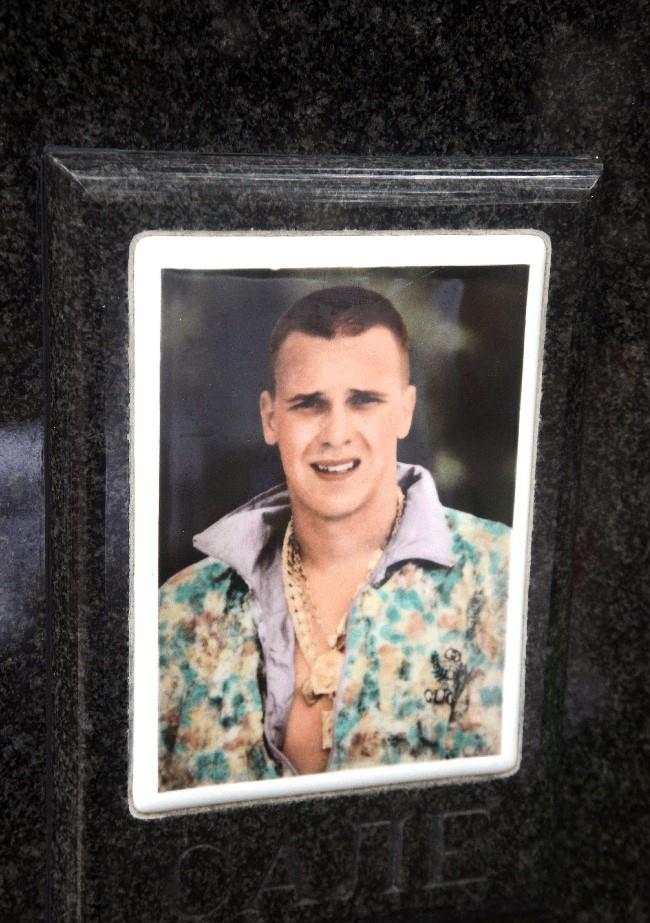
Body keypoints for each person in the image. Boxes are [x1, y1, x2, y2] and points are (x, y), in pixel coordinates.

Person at [158, 286, 509, 791]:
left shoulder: (501, 577)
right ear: (270, 418)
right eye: (309, 404)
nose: (336, 433)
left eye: (363, 401)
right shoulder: (180, 612)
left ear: (406, 410)